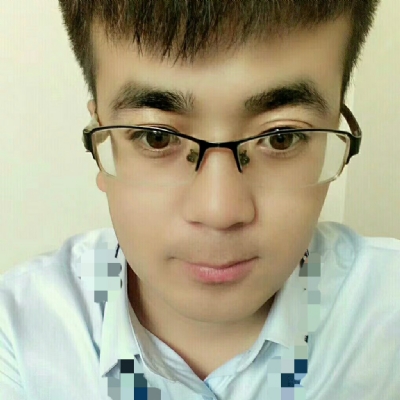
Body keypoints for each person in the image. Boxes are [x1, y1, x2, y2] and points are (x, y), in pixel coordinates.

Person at [1, 1, 399, 399]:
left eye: (282, 137)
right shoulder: (19, 337)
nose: (219, 211)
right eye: (157, 137)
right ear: (101, 139)